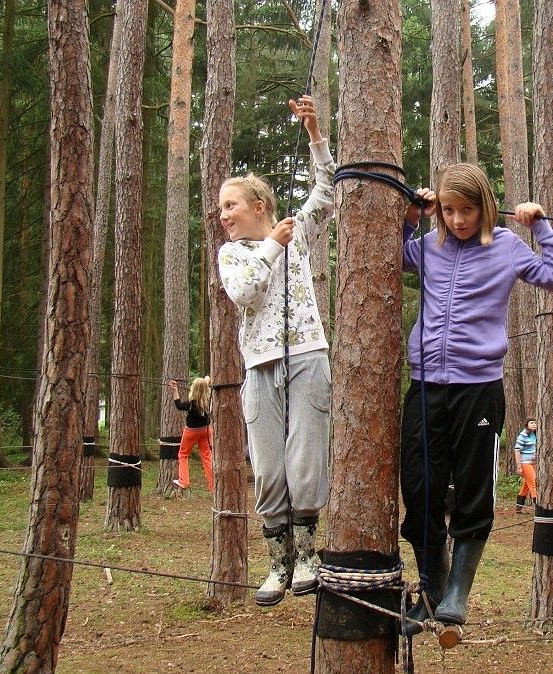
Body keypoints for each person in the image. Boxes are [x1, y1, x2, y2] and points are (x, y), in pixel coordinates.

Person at [399, 164, 553, 635]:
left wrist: (540, 225)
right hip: (425, 384)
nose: (458, 220)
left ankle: (458, 590)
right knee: (419, 487)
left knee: (473, 487)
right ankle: (430, 589)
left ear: (485, 206)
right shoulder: (430, 248)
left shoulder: (507, 247)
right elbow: (391, 256)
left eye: (468, 210)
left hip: (478, 388)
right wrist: (413, 215)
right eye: (450, 210)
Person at [217, 95, 333, 607]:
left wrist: (314, 133)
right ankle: (278, 561)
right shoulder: (233, 254)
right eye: (222, 208)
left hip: (308, 355)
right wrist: (272, 246)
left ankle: (309, 555)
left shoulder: (296, 233)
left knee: (304, 459)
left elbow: (327, 192)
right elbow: (244, 292)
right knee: (267, 467)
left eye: (231, 205)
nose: (223, 215)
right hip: (260, 367)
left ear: (258, 206)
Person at [168, 377, 214, 493]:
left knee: (183, 454)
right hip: (206, 430)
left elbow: (178, 405)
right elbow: (204, 387)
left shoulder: (191, 404)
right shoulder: (209, 400)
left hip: (192, 432)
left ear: (194, 389)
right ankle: (214, 486)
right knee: (207, 455)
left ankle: (184, 481)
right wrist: (207, 380)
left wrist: (175, 390)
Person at [513, 418, 538, 513]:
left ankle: (518, 507)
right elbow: (517, 450)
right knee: (534, 483)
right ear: (526, 425)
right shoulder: (522, 436)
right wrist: (519, 466)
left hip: (534, 463)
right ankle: (540, 510)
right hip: (525, 463)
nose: (534, 424)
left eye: (535, 423)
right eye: (531, 423)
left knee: (526, 486)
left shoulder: (534, 435)